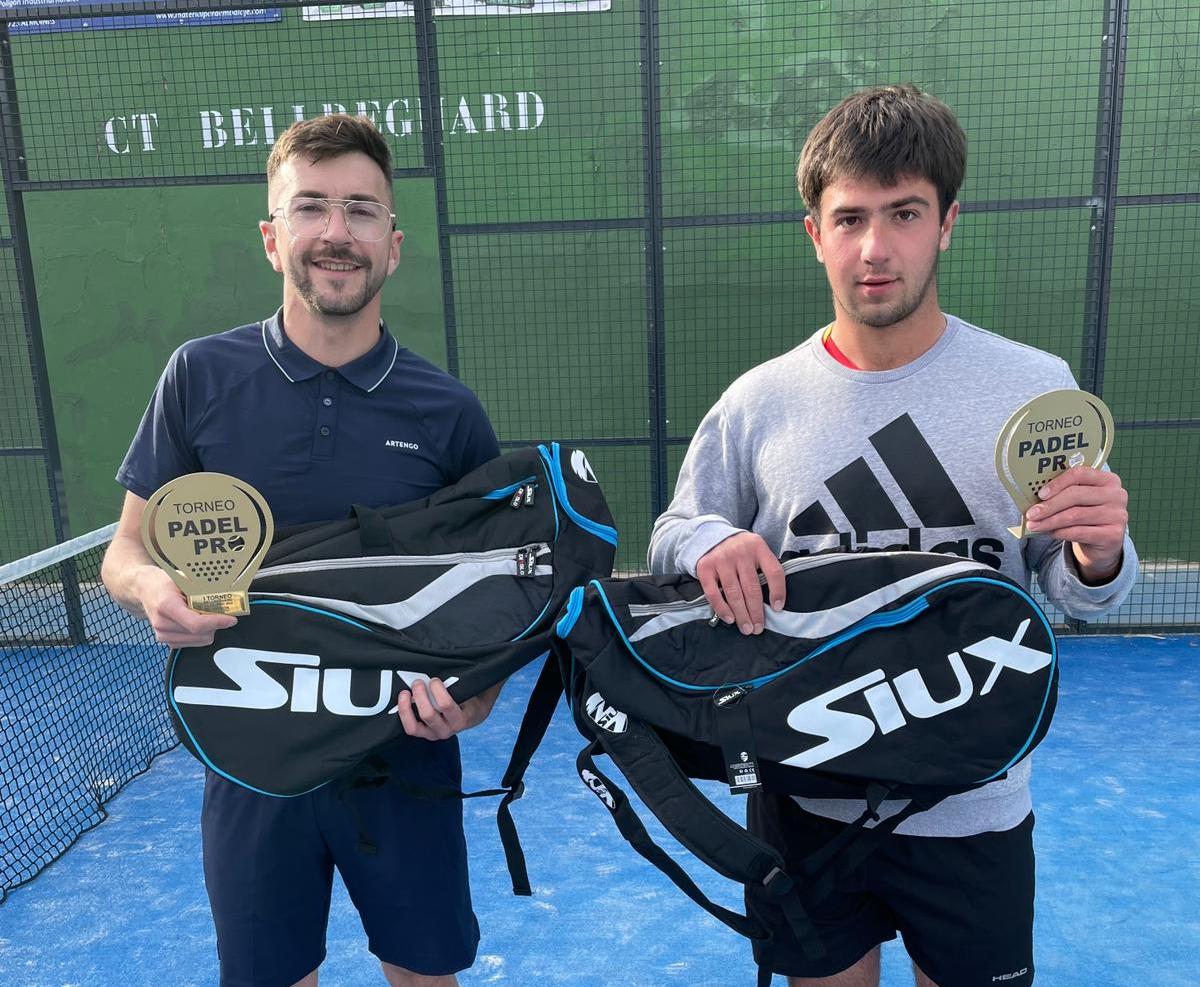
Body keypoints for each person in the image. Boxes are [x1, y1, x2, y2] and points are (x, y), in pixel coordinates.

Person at [647, 84, 1137, 987]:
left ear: (947, 222)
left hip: (974, 802)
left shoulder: (1034, 388)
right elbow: (674, 531)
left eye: (904, 213)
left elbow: (1067, 590)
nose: (875, 249)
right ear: (815, 233)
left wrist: (1098, 553)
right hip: (807, 792)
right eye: (851, 218)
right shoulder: (758, 402)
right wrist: (706, 541)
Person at [102, 113, 501, 987]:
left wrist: (471, 704)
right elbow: (125, 551)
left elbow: (488, 605)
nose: (335, 233)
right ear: (271, 236)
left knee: (427, 975)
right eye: (310, 207)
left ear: (392, 244)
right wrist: (150, 593)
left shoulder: (449, 413)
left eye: (361, 211)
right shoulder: (198, 376)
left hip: (401, 762)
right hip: (247, 763)